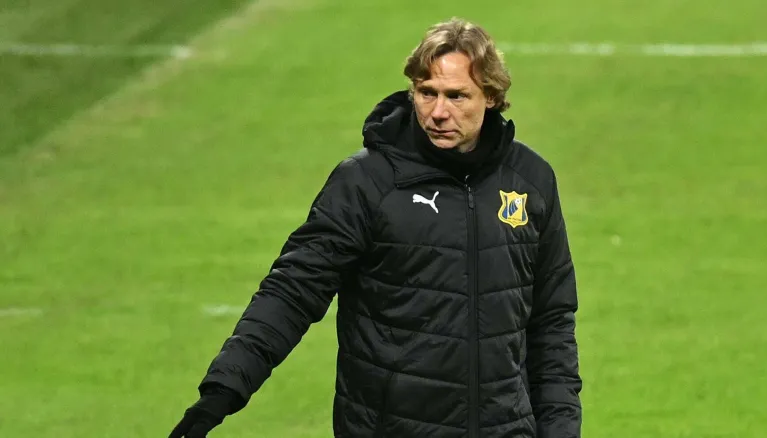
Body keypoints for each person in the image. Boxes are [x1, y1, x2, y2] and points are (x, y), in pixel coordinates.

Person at [170, 17, 582, 438]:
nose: (439, 112)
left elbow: (551, 322)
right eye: (427, 92)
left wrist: (561, 429)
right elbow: (294, 289)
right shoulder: (366, 183)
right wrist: (223, 389)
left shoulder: (531, 181)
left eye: (457, 96)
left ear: (491, 96)